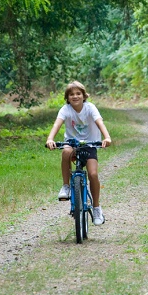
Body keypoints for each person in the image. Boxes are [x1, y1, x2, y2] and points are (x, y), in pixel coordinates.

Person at [45, 81, 112, 225]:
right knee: (65, 152)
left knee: (93, 174)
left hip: (90, 144)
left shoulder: (90, 108)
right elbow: (57, 124)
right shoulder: (65, 109)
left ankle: (96, 208)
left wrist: (107, 137)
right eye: (71, 94)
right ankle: (66, 186)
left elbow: (100, 122)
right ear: (67, 98)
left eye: (78, 93)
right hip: (72, 143)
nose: (75, 96)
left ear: (84, 95)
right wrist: (50, 139)